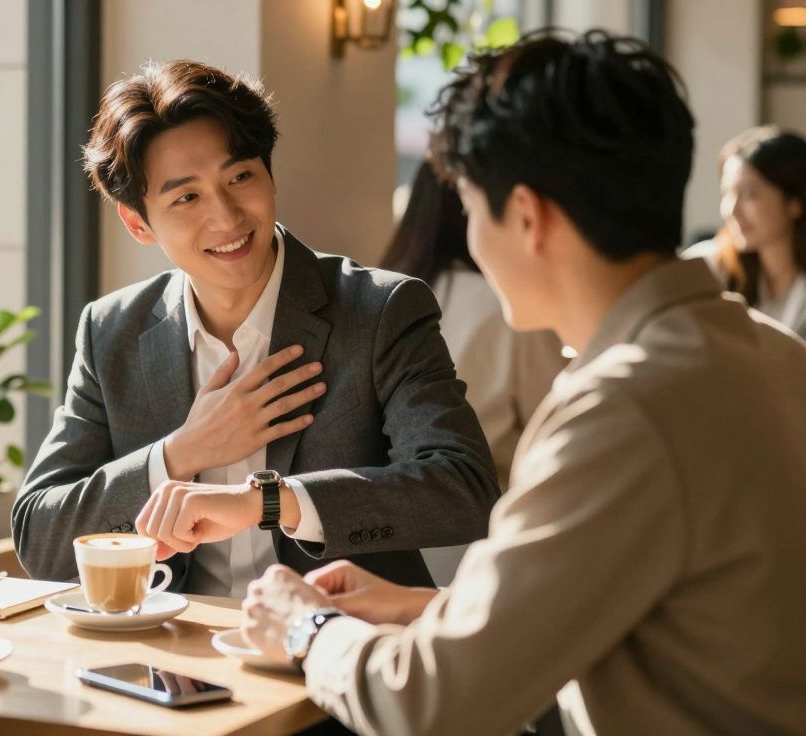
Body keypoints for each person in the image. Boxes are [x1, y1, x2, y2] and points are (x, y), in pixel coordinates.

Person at [240, 30, 806, 735]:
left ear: (530, 217)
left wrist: (306, 627)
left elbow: (432, 705)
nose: (471, 235)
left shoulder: (624, 409)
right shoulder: (775, 355)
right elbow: (673, 613)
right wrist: (433, 609)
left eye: (473, 207)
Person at [12, 60, 500, 598]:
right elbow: (39, 536)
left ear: (269, 175)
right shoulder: (111, 332)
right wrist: (181, 452)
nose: (226, 218)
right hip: (175, 655)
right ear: (137, 223)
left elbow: (464, 489)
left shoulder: (380, 310)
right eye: (186, 197)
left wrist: (270, 502)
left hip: (336, 646)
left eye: (240, 177)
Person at [380, 163, 566, 586]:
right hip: (482, 548)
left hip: (385, 543)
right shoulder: (509, 308)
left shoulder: (382, 296)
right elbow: (555, 428)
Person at [687, 126, 806, 338]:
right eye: (727, 193)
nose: (732, 210)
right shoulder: (707, 268)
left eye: (750, 194)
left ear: (794, 202)